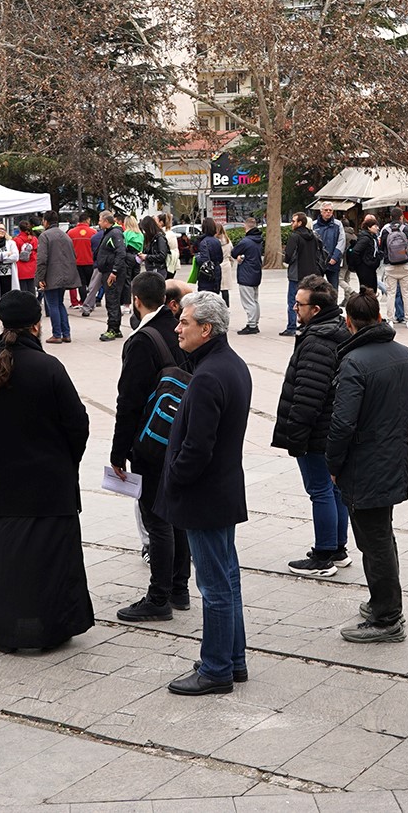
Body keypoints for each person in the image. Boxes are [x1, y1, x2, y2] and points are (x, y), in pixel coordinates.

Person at [0, 290, 92, 651]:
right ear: (36, 325)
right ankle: (51, 629)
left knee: (4, 566)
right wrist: (66, 461)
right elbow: (78, 425)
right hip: (49, 489)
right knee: (50, 566)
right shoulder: (49, 368)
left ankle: (3, 630)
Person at [157, 291, 252, 695]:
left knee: (214, 585)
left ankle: (216, 669)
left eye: (184, 323)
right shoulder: (229, 364)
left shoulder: (210, 374)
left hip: (205, 496)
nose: (177, 328)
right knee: (226, 578)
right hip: (222, 491)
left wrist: (174, 477)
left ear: (206, 329)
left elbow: (198, 447)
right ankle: (233, 659)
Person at [326, 289, 408, 643]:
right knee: (381, 534)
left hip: (365, 462)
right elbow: (407, 410)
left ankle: (387, 616)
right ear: (379, 317)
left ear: (349, 323)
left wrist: (334, 462)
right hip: (391, 454)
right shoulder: (405, 355)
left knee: (373, 540)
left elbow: (343, 422)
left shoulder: (355, 362)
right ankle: (384, 602)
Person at [106, 272, 191, 621]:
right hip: (180, 435)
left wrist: (118, 451)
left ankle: (159, 598)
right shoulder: (181, 329)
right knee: (177, 515)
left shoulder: (142, 340)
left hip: (152, 441)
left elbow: (129, 401)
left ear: (136, 301)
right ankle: (180, 589)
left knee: (156, 520)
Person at [272, 276, 350, 578]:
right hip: (331, 428)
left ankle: (323, 556)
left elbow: (308, 396)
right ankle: (338, 548)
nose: (295, 307)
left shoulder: (317, 341)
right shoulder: (335, 331)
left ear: (315, 309)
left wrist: (296, 435)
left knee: (320, 490)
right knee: (334, 489)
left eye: (299, 304)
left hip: (317, 431)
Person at [34, 211, 79, 344]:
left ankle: (57, 334)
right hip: (65, 274)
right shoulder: (65, 236)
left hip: (52, 274)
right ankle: (66, 333)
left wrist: (40, 278)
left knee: (53, 304)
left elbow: (42, 259)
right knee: (60, 304)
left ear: (45, 221)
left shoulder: (45, 236)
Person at [280, 213, 321, 336]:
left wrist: (286, 259)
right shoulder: (313, 236)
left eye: (293, 221)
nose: (291, 223)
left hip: (296, 274)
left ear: (300, 223)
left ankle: (291, 327)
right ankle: (307, 325)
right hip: (311, 273)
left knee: (293, 300)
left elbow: (289, 255)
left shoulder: (294, 236)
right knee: (309, 301)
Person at [378, 215, 408, 328]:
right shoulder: (406, 229)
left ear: (390, 217)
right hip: (405, 264)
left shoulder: (385, 229)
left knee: (391, 294)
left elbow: (381, 247)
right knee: (406, 294)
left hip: (390, 266)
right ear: (401, 217)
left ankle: (390, 319)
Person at [231, 223, 264, 334]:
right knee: (254, 300)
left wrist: (239, 256)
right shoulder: (259, 240)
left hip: (246, 274)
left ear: (247, 228)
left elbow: (234, 252)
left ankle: (252, 324)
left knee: (248, 301)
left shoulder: (245, 241)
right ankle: (255, 322)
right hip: (256, 273)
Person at [347, 216, 380, 303]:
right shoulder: (365, 238)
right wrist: (361, 264)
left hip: (370, 266)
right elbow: (355, 251)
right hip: (365, 268)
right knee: (367, 290)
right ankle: (366, 308)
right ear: (369, 227)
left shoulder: (372, 237)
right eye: (375, 226)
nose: (377, 228)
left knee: (371, 289)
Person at [192, 218, 225, 297]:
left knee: (205, 297)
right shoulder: (217, 241)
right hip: (217, 271)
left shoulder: (204, 242)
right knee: (214, 296)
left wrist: (197, 258)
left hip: (206, 274)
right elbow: (220, 259)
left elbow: (204, 260)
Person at [313, 205, 344, 285]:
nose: (328, 212)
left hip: (333, 262)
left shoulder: (338, 225)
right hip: (318, 263)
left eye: (330, 210)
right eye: (326, 210)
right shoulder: (314, 225)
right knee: (317, 288)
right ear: (321, 211)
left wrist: (335, 257)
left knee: (333, 288)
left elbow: (341, 241)